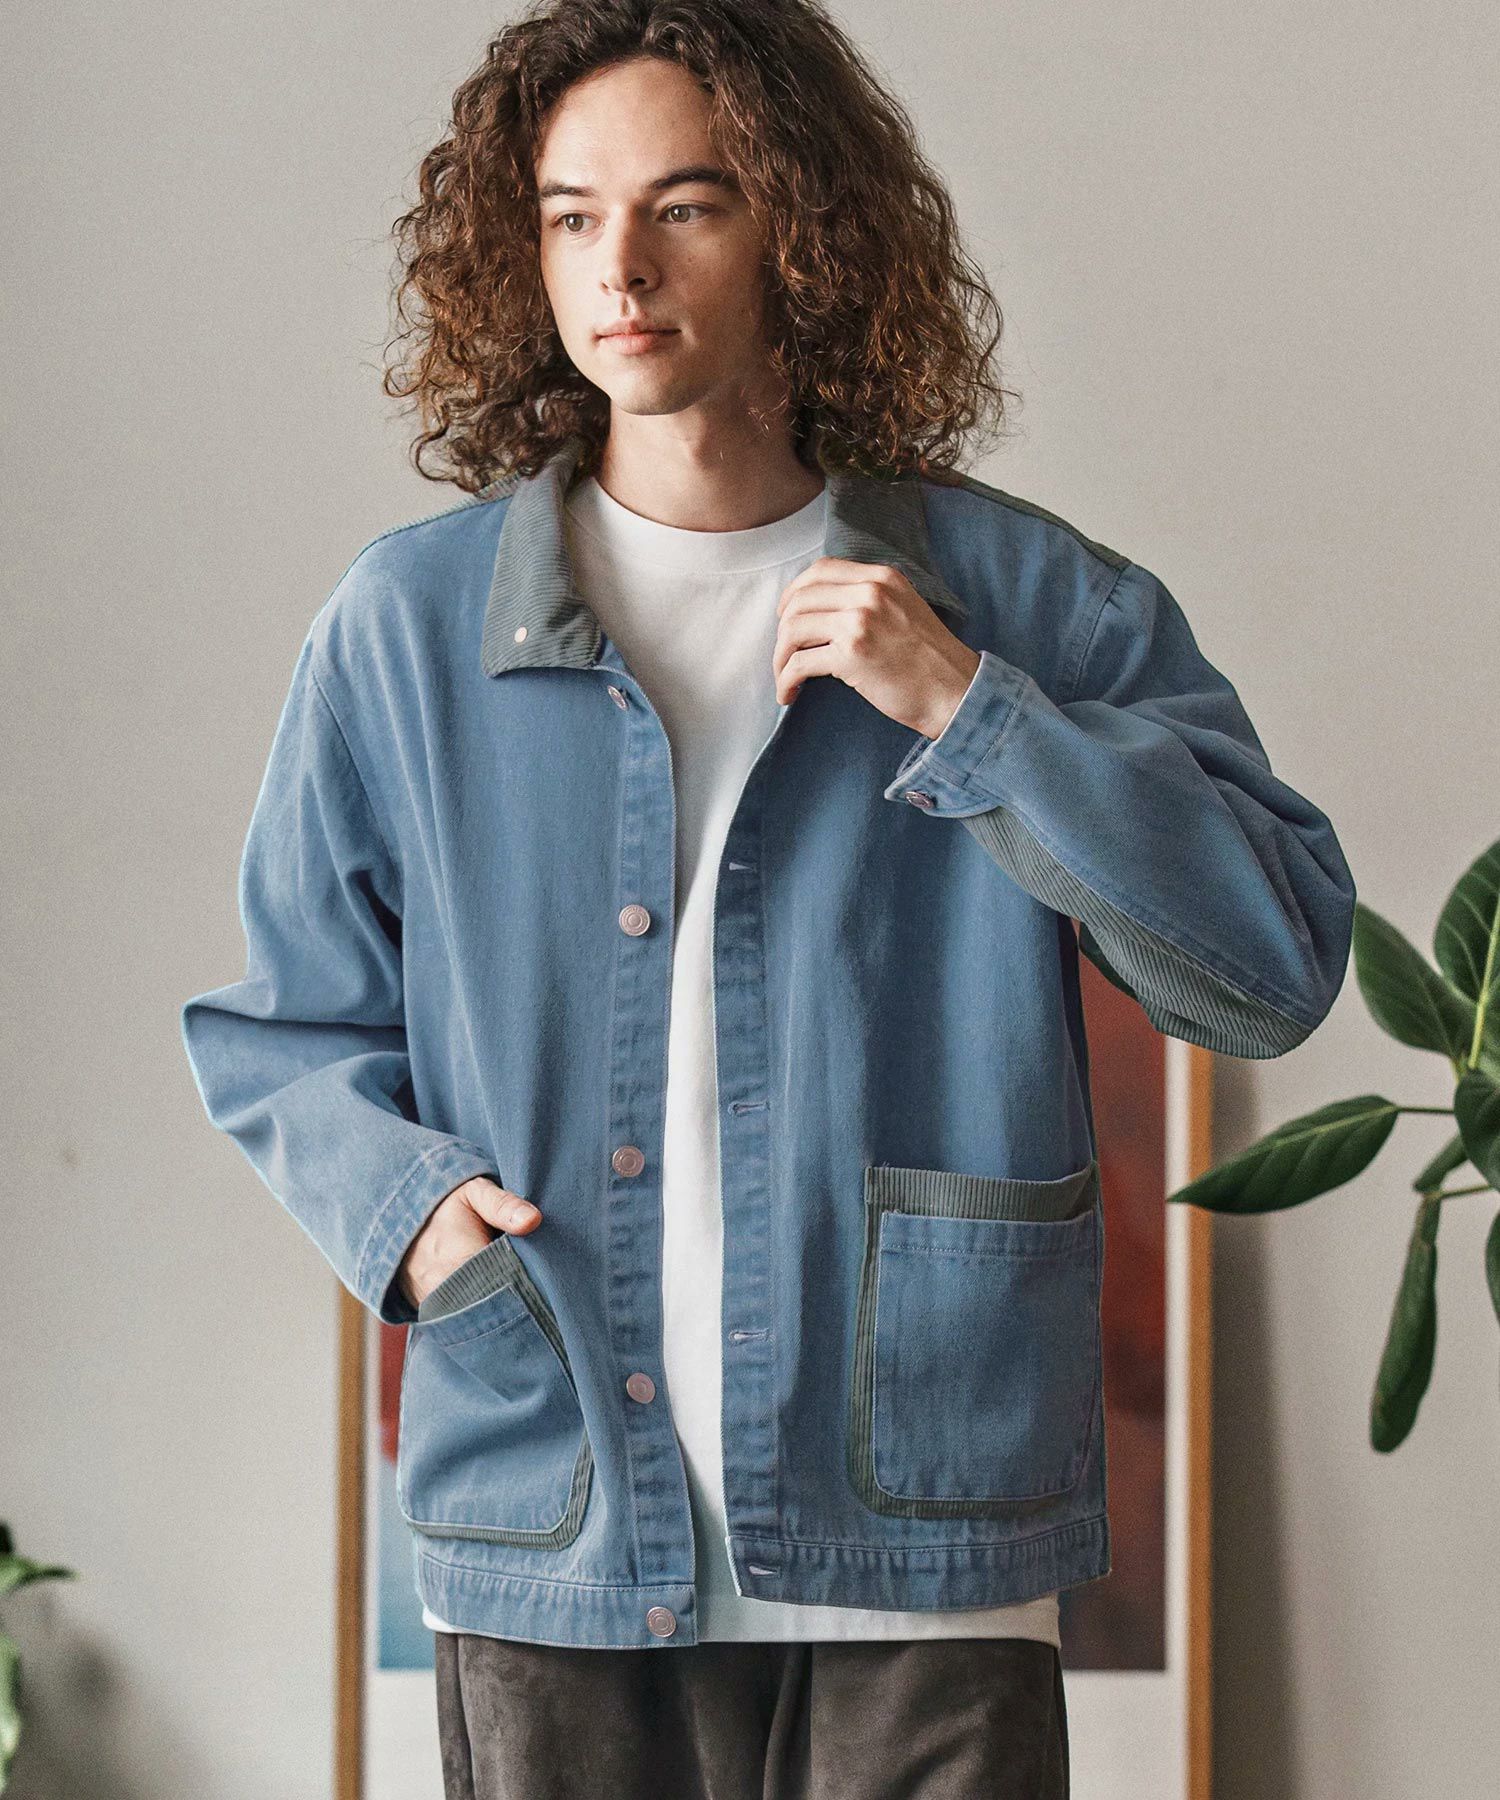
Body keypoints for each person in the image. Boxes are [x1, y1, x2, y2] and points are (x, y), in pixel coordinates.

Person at [180, 2, 1358, 1795]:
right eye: (572, 215)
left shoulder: (1020, 603)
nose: (620, 267)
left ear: (799, 225)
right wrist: (416, 1222)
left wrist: (974, 712)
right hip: (558, 1516)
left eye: (686, 204)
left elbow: (1269, 967)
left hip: (926, 1522)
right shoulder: (406, 634)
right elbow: (280, 1029)